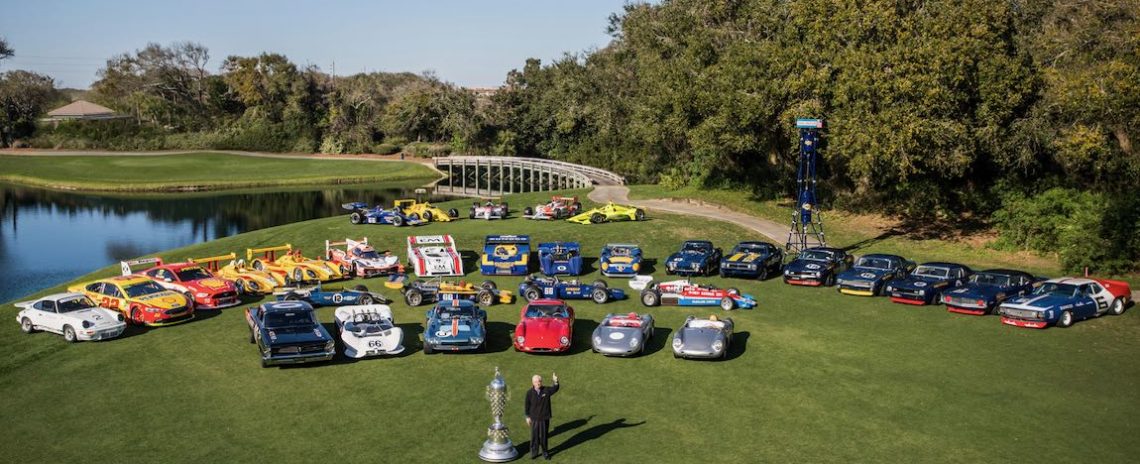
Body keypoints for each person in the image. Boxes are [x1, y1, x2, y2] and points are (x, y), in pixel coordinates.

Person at [525, 372, 560, 460]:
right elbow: (527, 405)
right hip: (534, 418)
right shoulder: (529, 393)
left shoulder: (546, 390)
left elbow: (555, 388)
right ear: (533, 382)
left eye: (540, 381)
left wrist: (555, 381)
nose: (538, 383)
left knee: (544, 436)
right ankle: (534, 453)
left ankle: (545, 453)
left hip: (544, 418)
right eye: (536, 381)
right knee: (534, 436)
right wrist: (527, 417)